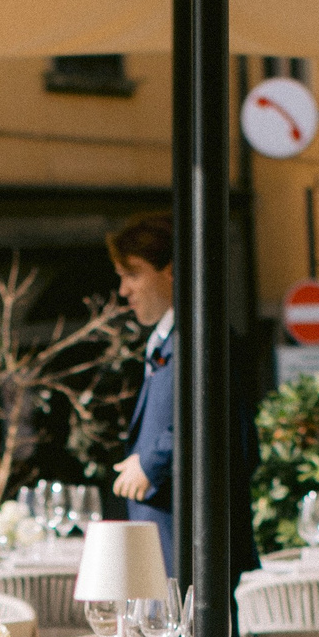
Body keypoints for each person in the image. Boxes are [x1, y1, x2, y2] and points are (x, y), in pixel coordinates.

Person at [107, 211, 178, 577]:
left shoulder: (195, 337)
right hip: (164, 526)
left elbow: (208, 416)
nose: (124, 291)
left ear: (171, 270)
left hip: (183, 531)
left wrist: (151, 462)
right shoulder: (167, 338)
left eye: (133, 274)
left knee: (181, 634)